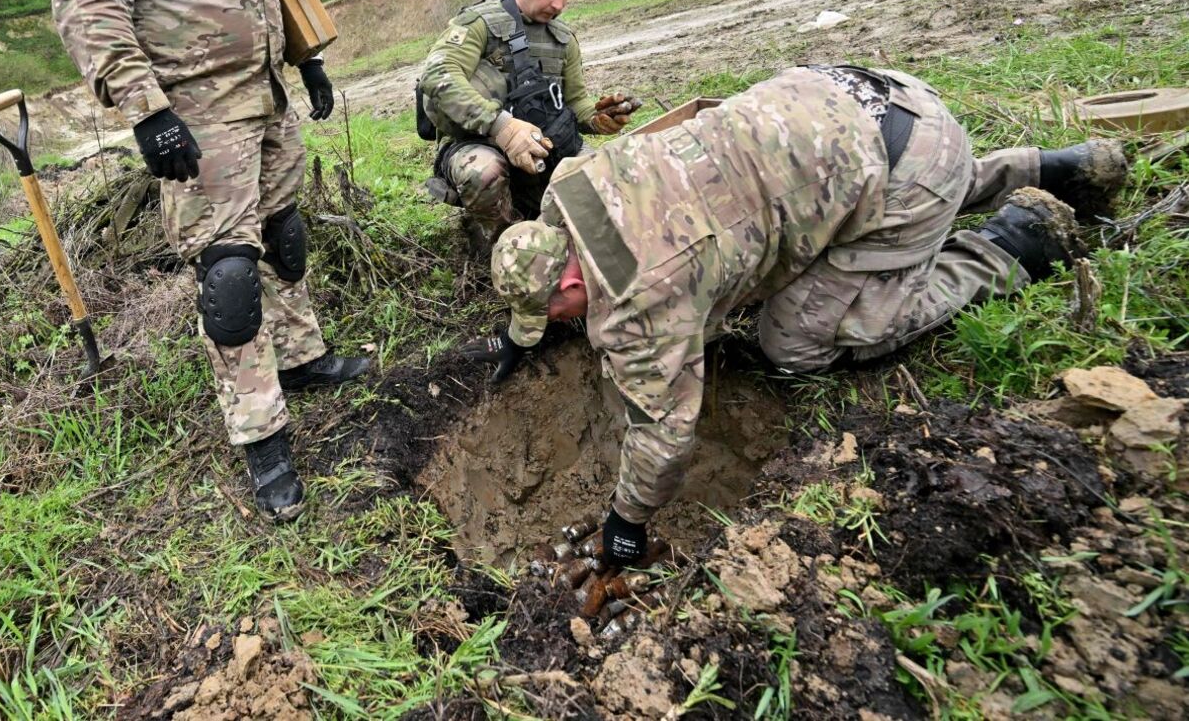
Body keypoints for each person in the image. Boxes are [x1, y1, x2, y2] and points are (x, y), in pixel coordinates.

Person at [479, 64, 1127, 567]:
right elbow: (554, 240)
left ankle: (1016, 242)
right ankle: (1056, 167)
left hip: (901, 173)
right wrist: (521, 325)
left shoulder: (639, 300)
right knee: (829, 178)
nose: (562, 322)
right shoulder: (572, 183)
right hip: (858, 99)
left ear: (568, 277)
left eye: (556, 311)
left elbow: (663, 436)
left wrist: (626, 523)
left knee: (794, 340)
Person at [38, 0, 369, 523]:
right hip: (196, 116)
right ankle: (262, 440)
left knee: (285, 236)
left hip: (263, 98)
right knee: (230, 277)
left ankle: (301, 360)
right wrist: (146, 109)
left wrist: (307, 59)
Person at [416, 0, 640, 252]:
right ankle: (505, 247)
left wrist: (597, 118)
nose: (559, 4)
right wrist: (501, 126)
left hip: (542, 149)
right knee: (484, 172)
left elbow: (575, 105)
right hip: (475, 144)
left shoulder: (563, 39)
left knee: (606, 177)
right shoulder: (480, 24)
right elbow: (437, 75)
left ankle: (561, 236)